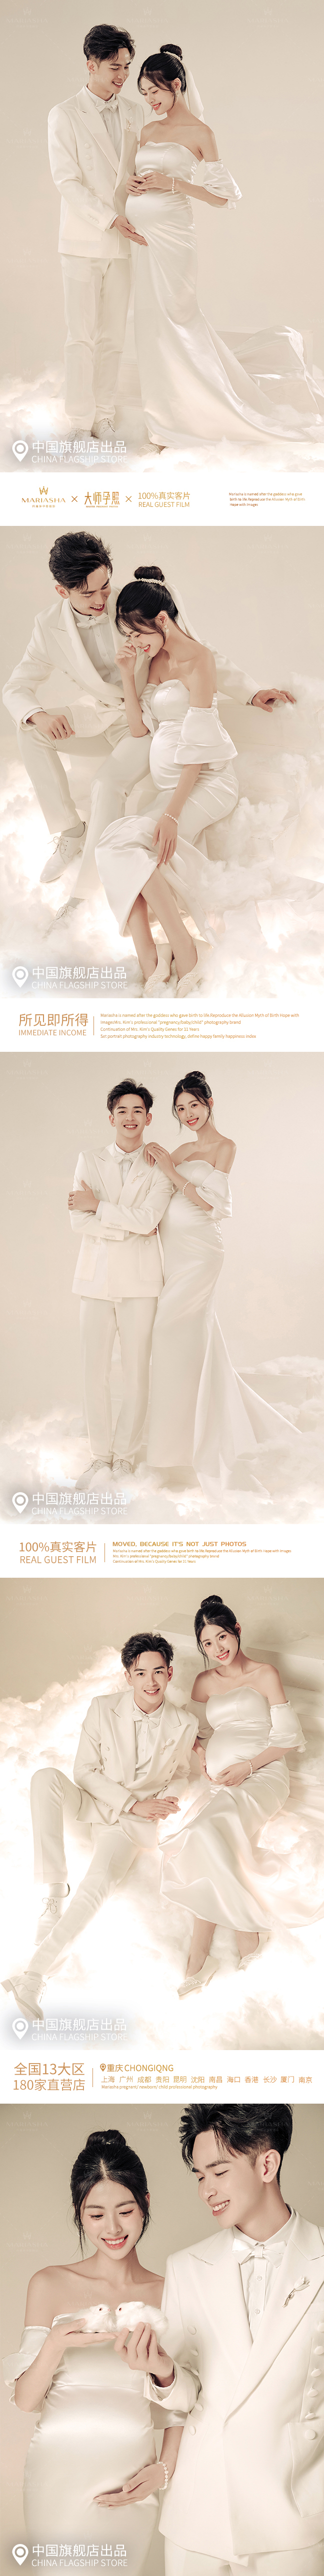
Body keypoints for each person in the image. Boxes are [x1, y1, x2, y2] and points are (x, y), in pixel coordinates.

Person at [116, 2103, 324, 2574]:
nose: (206, 2190)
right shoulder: (186, 2266)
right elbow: (184, 2399)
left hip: (294, 2516)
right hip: (201, 2515)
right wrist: (163, 2372)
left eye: (219, 2171)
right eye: (199, 2176)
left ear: (267, 2165)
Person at [96, 567, 295, 994]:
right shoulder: (150, 661)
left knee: (136, 847)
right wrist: (129, 674)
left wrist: (171, 814)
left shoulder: (199, 659)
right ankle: (153, 957)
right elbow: (139, 730)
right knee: (110, 845)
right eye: (128, 635)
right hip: (172, 789)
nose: (135, 642)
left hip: (208, 782)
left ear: (162, 620)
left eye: (138, 633)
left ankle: (185, 950)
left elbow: (201, 748)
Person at [126, 43, 324, 452]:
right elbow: (135, 177)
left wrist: (173, 183)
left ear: (176, 85)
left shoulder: (202, 134)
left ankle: (196, 411)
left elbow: (223, 197)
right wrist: (133, 184)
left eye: (155, 91)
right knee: (151, 322)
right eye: (143, 94)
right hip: (144, 241)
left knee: (178, 317)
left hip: (176, 240)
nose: (149, 101)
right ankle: (164, 411)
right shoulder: (147, 131)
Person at [2, 2124, 181, 2556]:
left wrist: (164, 2470)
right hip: (57, 2478)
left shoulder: (172, 2291)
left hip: (132, 2479)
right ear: (79, 2213)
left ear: (145, 2204)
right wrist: (54, 2345)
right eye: (96, 2215)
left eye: (126, 2210)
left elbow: (183, 2398)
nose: (113, 2228)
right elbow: (26, 2401)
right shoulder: (49, 2283)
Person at [2, 1633, 198, 2023]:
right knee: (45, 1778)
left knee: (98, 1886)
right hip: (96, 1803)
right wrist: (132, 1801)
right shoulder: (102, 1708)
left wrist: (169, 1799)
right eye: (141, 1673)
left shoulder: (185, 1723)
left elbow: (182, 1772)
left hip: (130, 1826)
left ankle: (34, 1976)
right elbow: (84, 1771)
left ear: (170, 1673)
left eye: (158, 1672)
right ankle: (54, 1892)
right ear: (128, 1676)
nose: (151, 1681)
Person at [143, 1069, 300, 1490]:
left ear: (209, 1104)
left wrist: (171, 1170)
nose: (188, 1114)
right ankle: (177, 1447)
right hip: (174, 1254)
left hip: (202, 1254)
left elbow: (212, 1203)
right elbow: (158, 1189)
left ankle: (191, 1448)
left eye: (194, 1105)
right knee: (185, 1340)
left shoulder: (224, 1147)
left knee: (174, 1332)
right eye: (180, 1109)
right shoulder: (181, 1149)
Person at [158, 1591, 306, 1994]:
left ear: (237, 1630)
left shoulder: (265, 1674)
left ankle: (225, 1945)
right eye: (207, 1643)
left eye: (222, 1637)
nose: (217, 1648)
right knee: (208, 1839)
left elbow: (289, 1738)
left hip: (264, 1774)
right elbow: (194, 1732)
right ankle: (214, 1954)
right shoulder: (204, 1683)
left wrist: (248, 1767)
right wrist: (204, 1758)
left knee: (204, 1833)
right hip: (221, 1780)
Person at [2, 532, 151, 890]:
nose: (101, 600)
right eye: (88, 594)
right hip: (100, 715)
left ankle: (100, 876)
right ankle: (72, 832)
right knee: (30, 730)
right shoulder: (47, 625)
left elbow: (194, 648)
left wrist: (251, 692)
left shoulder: (134, 601)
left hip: (145, 716)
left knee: (106, 784)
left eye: (105, 587)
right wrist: (40, 715)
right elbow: (16, 686)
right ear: (62, 591)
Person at [68, 1076, 172, 1480]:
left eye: (138, 1111)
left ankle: (126, 1455)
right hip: (95, 1280)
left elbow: (150, 1220)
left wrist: (99, 1207)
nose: (130, 1117)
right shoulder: (89, 1159)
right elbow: (78, 1221)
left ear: (149, 1118)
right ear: (111, 1117)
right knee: (93, 1371)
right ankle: (100, 1454)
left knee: (136, 1373)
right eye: (122, 1110)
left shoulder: (160, 1165)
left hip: (141, 1284)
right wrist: (129, 1226)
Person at [48, 25, 146, 442]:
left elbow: (137, 170)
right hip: (83, 240)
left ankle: (104, 414)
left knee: (113, 336)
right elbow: (66, 181)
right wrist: (108, 218)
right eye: (114, 68)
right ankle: (77, 420)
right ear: (91, 65)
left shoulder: (136, 113)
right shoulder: (64, 114)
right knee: (80, 337)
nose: (123, 76)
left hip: (125, 240)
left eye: (127, 67)